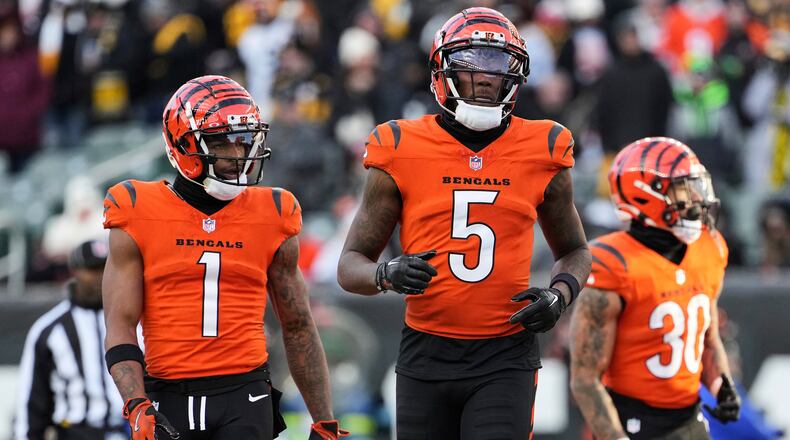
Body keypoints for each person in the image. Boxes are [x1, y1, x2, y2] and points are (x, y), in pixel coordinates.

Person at [336, 7, 592, 439]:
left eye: (499, 67)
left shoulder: (544, 145)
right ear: (442, 72)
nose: (489, 78)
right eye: (474, 66)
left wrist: (559, 296)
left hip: (505, 355)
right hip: (425, 353)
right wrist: (385, 274)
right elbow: (350, 265)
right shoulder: (399, 145)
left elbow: (575, 251)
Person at [101, 75, 347, 440]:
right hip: (167, 394)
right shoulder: (136, 208)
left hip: (245, 394)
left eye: (244, 142)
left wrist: (323, 419)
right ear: (180, 144)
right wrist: (136, 405)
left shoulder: (274, 211)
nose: (237, 155)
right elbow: (120, 326)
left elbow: (297, 324)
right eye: (221, 143)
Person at [569, 137, 740, 439]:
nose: (697, 198)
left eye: (696, 186)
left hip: (689, 419)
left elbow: (708, 336)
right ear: (647, 195)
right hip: (631, 421)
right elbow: (585, 379)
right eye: (684, 188)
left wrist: (720, 382)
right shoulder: (613, 263)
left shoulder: (709, 245)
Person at [14, 239, 127, 440]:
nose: (100, 277)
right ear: (74, 271)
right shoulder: (50, 329)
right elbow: (32, 401)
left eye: (105, 269)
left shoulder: (133, 321)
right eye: (92, 270)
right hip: (77, 432)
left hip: (131, 431)